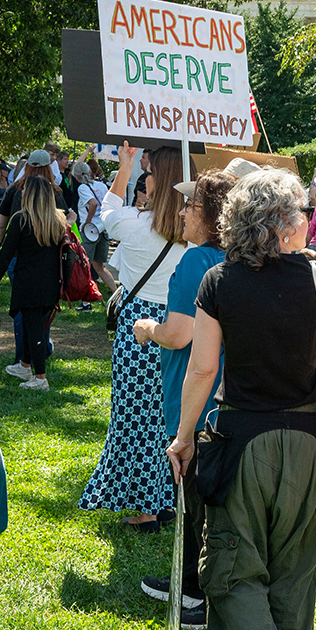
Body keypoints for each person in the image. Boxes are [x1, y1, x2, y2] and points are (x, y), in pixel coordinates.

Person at [166, 168, 316, 630]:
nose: (306, 221)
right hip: (307, 442)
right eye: (300, 213)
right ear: (284, 223)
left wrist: (183, 439)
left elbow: (203, 370)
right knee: (296, 563)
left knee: (234, 556)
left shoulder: (220, 282)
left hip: (240, 438)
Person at [134, 166, 242, 630]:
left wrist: (146, 330)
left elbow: (178, 335)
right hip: (235, 401)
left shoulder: (192, 263)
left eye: (190, 204)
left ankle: (194, 594)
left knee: (193, 503)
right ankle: (198, 586)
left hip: (195, 403)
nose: (180, 211)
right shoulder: (239, 261)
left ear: (211, 214)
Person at [80, 142, 187, 530]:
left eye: (152, 172)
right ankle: (167, 495)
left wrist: (123, 169)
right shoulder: (192, 235)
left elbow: (106, 212)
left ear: (162, 179)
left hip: (138, 327)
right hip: (179, 324)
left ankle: (147, 507)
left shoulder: (139, 226)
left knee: (135, 417)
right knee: (168, 416)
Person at [0, 177, 65, 392]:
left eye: (24, 190)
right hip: (51, 282)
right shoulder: (58, 220)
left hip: (28, 282)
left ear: (31, 195)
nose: (21, 193)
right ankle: (24, 366)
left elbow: (5, 255)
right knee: (33, 326)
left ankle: (40, 378)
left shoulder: (20, 220)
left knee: (34, 331)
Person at [72, 160, 116, 294]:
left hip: (90, 230)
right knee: (99, 267)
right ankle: (116, 293)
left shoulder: (82, 187)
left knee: (84, 265)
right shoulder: (101, 185)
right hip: (103, 228)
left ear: (76, 175)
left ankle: (86, 298)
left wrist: (87, 222)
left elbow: (93, 203)